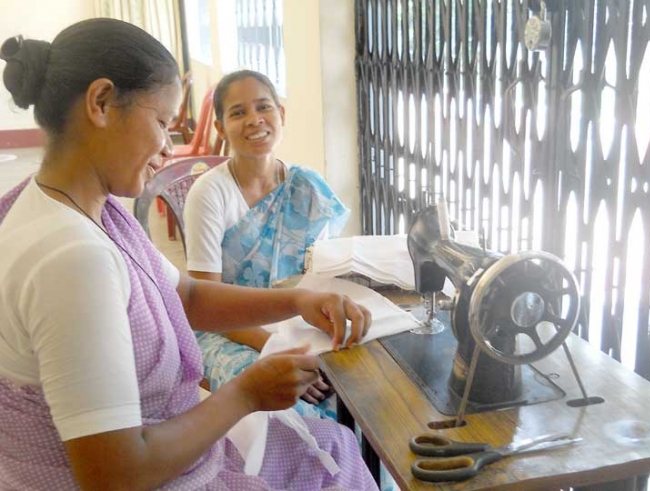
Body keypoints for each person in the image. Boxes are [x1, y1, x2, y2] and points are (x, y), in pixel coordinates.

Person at [0, 19, 376, 491]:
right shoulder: (72, 261)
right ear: (100, 103)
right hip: (150, 475)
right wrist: (246, 393)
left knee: (335, 445)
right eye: (161, 122)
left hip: (164, 447)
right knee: (333, 464)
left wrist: (297, 302)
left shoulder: (87, 210)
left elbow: (189, 295)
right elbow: (114, 474)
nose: (167, 146)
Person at [184, 70, 350, 418]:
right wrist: (275, 347)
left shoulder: (306, 188)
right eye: (238, 112)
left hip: (292, 323)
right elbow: (203, 306)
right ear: (220, 127)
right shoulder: (209, 194)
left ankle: (345, 466)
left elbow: (318, 276)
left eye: (263, 107)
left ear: (281, 114)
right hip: (225, 332)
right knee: (288, 405)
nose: (254, 120)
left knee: (355, 381)